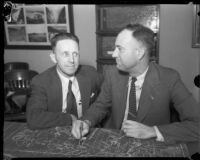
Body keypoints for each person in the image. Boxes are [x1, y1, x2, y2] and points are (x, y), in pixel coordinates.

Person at [71, 24, 200, 155]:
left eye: (119, 49)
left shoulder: (169, 78)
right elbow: (100, 106)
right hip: (113, 145)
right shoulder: (112, 74)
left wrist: (153, 131)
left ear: (139, 53)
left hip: (151, 148)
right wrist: (85, 121)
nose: (114, 54)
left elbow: (197, 124)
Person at [26, 32, 103, 129]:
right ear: (54, 58)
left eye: (75, 54)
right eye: (65, 54)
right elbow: (34, 118)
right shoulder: (41, 82)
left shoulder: (91, 74)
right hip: (57, 133)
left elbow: (110, 95)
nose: (72, 60)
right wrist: (70, 119)